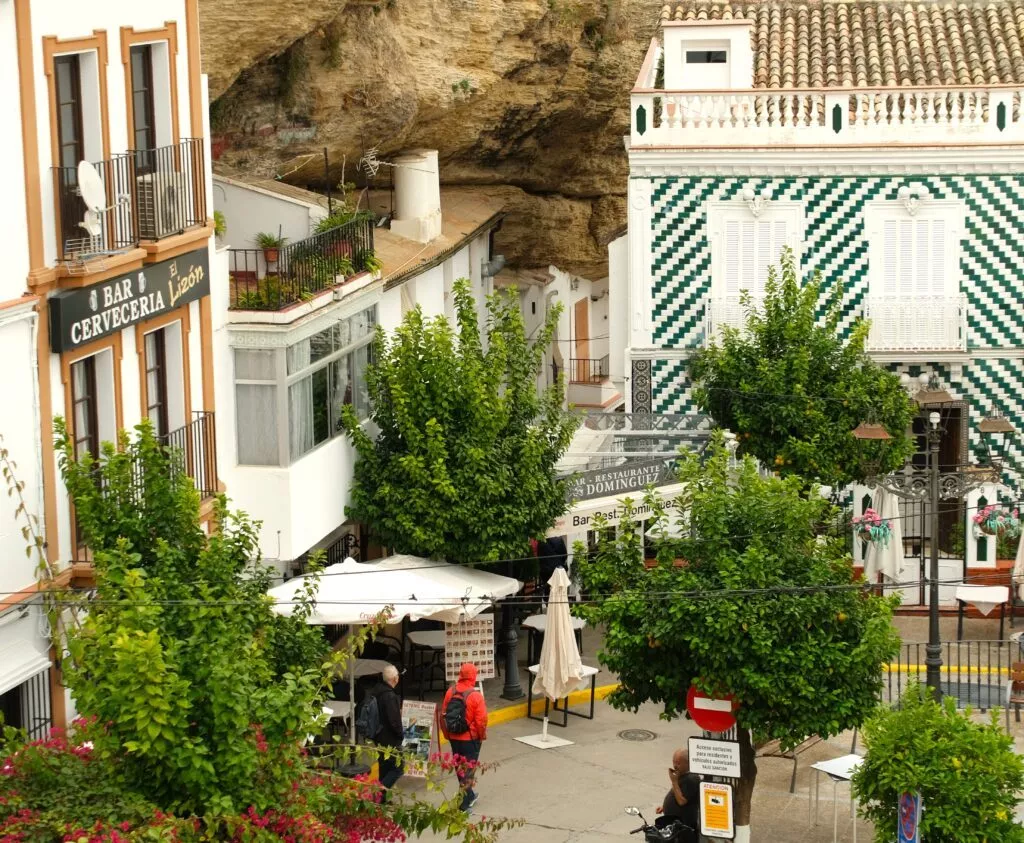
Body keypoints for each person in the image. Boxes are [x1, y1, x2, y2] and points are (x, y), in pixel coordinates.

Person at [440, 662, 488, 813]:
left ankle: (470, 795)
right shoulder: (475, 696)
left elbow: (443, 716)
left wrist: (447, 734)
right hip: (470, 739)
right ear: (473, 676)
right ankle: (464, 805)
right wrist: (480, 737)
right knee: (468, 771)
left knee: (460, 768)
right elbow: (481, 721)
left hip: (454, 738)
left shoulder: (450, 692)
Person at [370, 664, 404, 797]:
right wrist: (400, 734)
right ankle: (378, 793)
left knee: (384, 767)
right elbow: (394, 720)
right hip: (390, 738)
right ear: (395, 679)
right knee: (398, 768)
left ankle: (381, 800)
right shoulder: (389, 696)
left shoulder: (376, 691)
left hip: (378, 735)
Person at [658, 748, 700, 841]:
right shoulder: (682, 776)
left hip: (683, 828)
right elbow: (677, 793)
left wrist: (674, 782)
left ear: (687, 763)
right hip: (674, 825)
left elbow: (682, 801)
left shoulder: (691, 779)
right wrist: (665, 806)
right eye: (674, 762)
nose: (675, 765)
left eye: (678, 763)